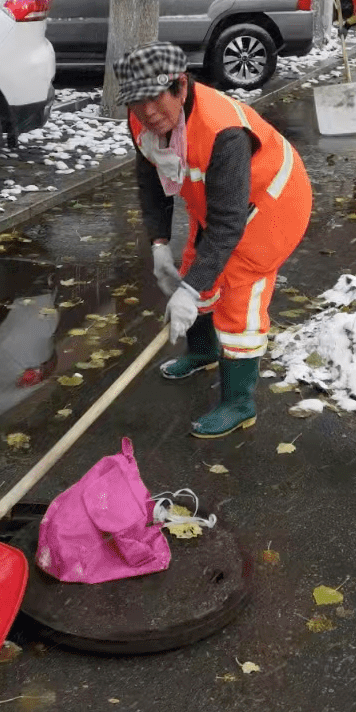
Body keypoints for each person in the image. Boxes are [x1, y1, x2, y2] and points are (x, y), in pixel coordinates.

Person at [114, 42, 313, 439]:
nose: (148, 112)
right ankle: (203, 352)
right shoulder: (142, 123)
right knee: (195, 272)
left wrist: (190, 289)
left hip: (272, 206)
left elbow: (228, 227)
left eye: (155, 98)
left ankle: (240, 403)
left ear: (181, 87)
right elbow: (151, 183)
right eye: (137, 102)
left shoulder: (225, 131)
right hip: (220, 207)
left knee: (238, 300)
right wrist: (158, 245)